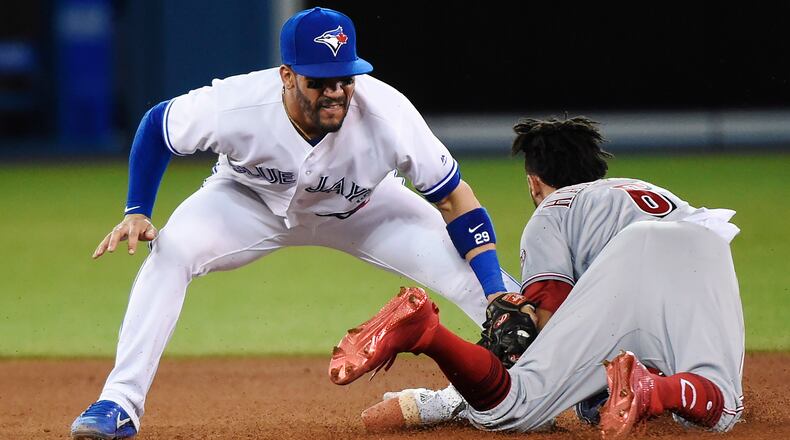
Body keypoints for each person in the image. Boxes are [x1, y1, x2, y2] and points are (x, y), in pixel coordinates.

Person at [69, 7, 520, 439]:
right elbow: (157, 126)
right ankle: (120, 403)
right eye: (320, 81)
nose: (336, 92)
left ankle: (573, 379)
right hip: (248, 202)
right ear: (286, 76)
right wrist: (137, 210)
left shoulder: (389, 114)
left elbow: (456, 200)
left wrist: (493, 288)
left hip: (366, 210)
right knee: (171, 251)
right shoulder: (237, 103)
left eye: (345, 78)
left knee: (485, 285)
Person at [330, 116, 745, 438]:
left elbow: (539, 328)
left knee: (514, 407)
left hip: (636, 253)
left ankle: (426, 332)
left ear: (534, 182)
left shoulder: (555, 208)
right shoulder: (641, 189)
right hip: (707, 242)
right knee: (720, 407)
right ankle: (652, 390)